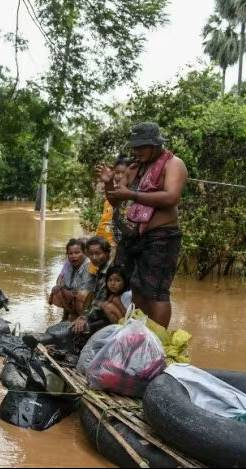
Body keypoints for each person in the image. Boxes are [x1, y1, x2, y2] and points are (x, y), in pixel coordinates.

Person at [97, 122, 187, 328]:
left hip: (161, 236)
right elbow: (116, 200)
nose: (136, 151)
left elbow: (171, 197)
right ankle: (138, 334)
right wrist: (109, 183)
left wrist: (133, 194)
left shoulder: (173, 164)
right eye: (134, 147)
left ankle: (158, 342)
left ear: (155, 145)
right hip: (135, 236)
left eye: (141, 147)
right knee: (137, 287)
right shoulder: (135, 168)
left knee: (156, 292)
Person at [72, 236, 113, 334]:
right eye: (91, 254)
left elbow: (101, 301)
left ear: (107, 253)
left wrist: (85, 318)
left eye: (98, 253)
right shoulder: (101, 268)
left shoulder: (109, 272)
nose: (94, 257)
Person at [49, 238, 94, 321]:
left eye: (77, 253)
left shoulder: (88, 265)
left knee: (80, 296)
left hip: (88, 299)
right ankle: (70, 315)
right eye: (70, 253)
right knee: (57, 292)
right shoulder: (69, 263)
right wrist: (59, 287)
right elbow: (62, 279)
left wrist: (66, 291)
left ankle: (84, 320)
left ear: (84, 253)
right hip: (73, 293)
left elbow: (84, 290)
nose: (74, 256)